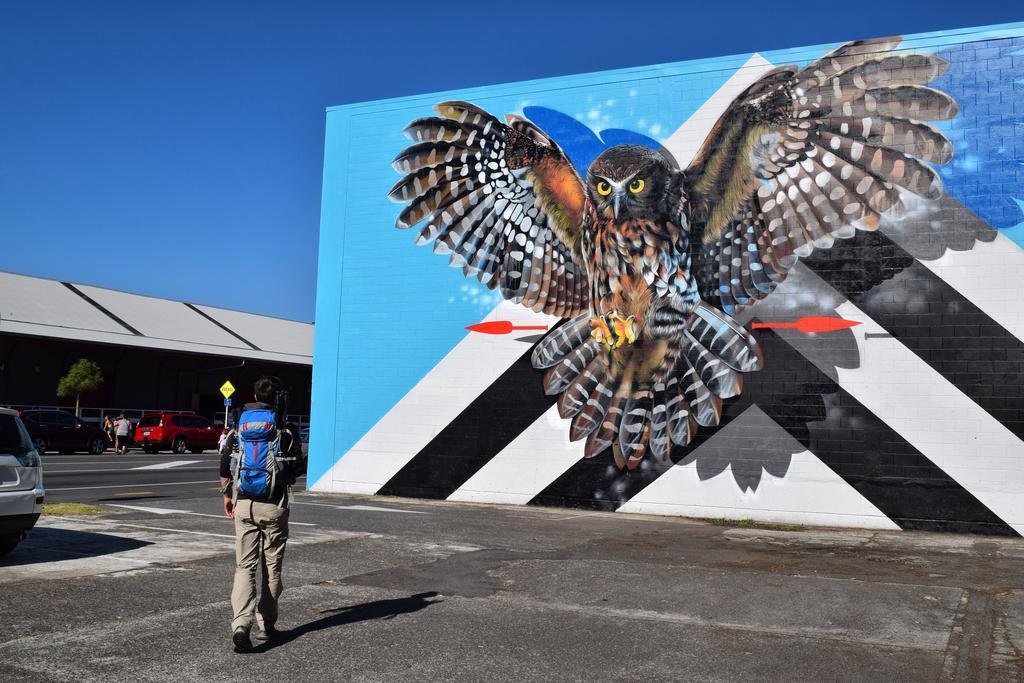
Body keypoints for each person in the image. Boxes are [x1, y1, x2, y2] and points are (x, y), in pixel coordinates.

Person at [219, 376, 305, 653]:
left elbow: (224, 461)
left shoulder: (239, 424)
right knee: (271, 566)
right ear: (276, 397)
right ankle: (266, 625)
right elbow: (298, 465)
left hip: (244, 502)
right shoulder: (283, 427)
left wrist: (227, 494)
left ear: (253, 394)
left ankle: (240, 625)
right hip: (273, 504)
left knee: (244, 566)